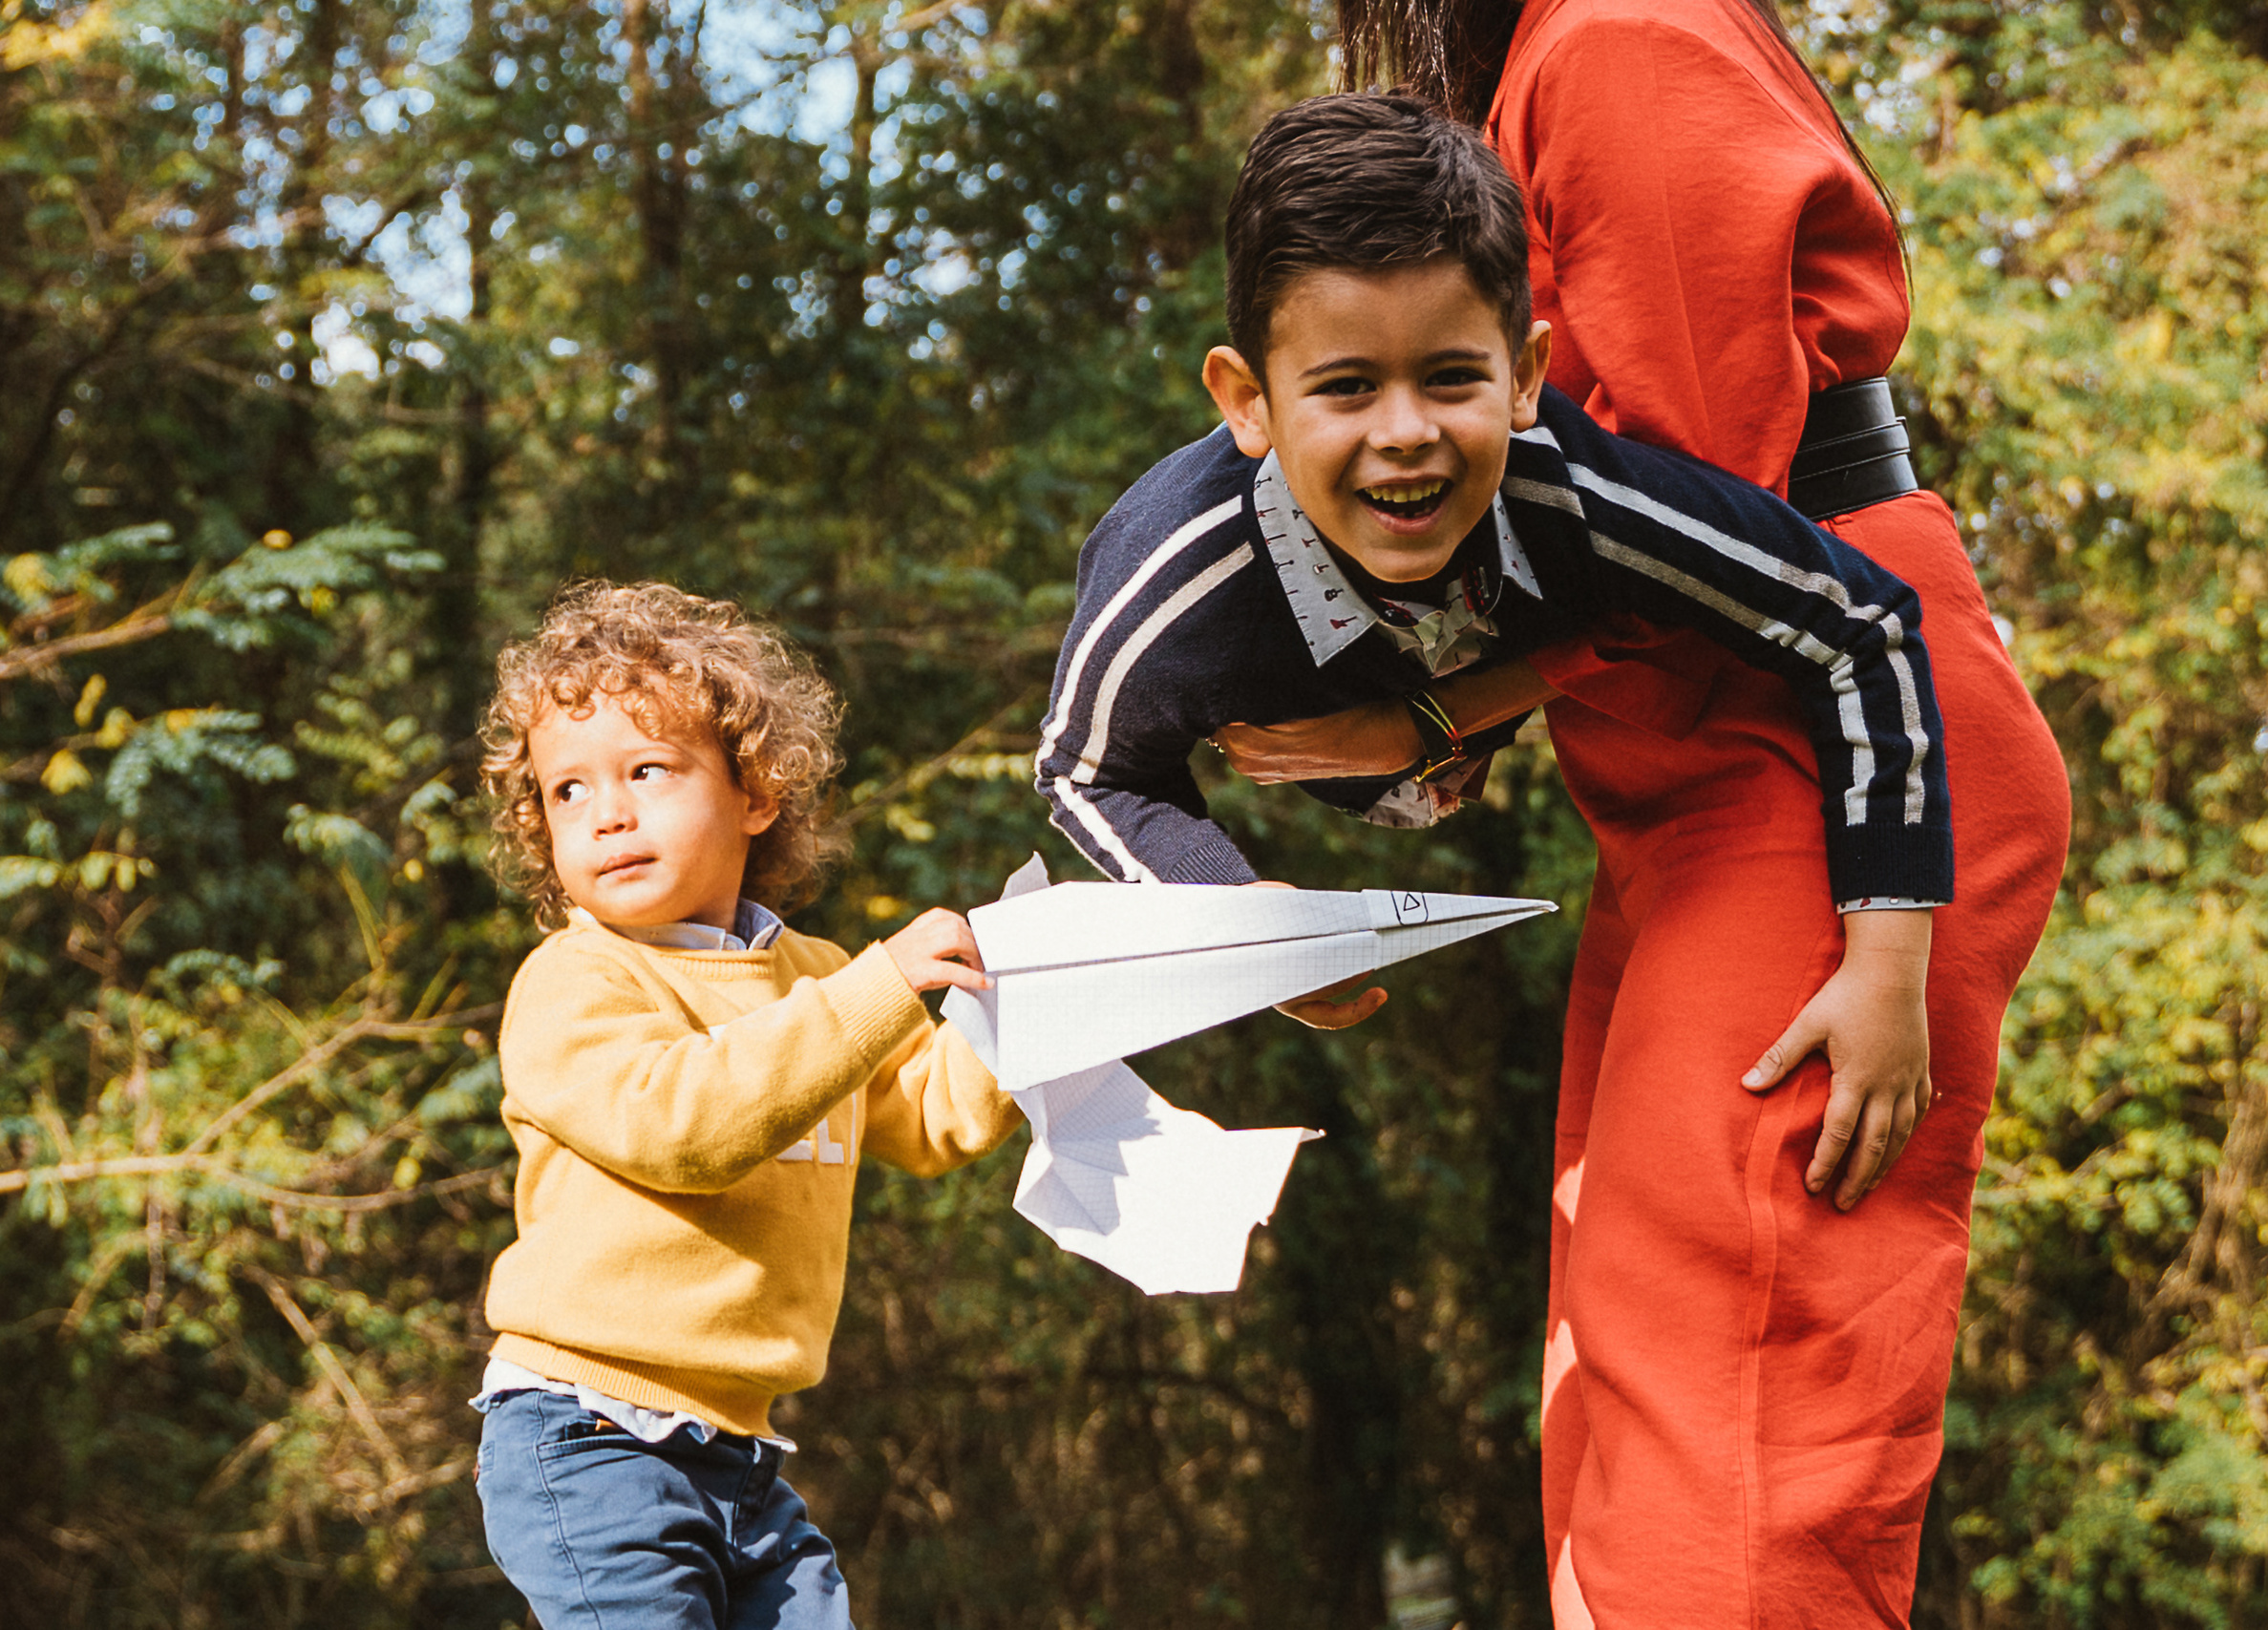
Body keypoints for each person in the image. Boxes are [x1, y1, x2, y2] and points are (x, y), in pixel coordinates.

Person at [1219, 5, 2080, 1622]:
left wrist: (1432, 706)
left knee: (1741, 1417)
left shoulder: (1619, 35)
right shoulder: (1563, 48)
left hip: (1826, 760)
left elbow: (1708, 520)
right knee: (1625, 1368)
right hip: (1692, 775)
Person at [1035, 95, 1950, 1209]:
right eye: (1345, 387)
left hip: (1519, 661)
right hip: (1309, 701)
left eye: (1451, 378)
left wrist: (1888, 971)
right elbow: (1082, 772)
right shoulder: (1179, 586)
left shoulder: (1576, 493)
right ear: (1248, 401)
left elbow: (1860, 624)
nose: (1406, 430)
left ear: (1524, 375)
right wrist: (1246, 932)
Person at [470, 582, 1021, 1630]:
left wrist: (1044, 1019)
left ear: (755, 793)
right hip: (588, 1434)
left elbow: (932, 1117)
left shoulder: (809, 977)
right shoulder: (577, 981)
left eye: (647, 771)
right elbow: (688, 1128)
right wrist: (882, 984)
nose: (608, 814)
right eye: (566, 792)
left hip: (741, 1453)